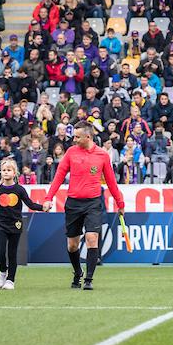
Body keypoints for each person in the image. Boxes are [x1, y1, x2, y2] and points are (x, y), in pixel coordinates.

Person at [43, 122, 125, 290]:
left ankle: (88, 279)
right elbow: (58, 176)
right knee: (72, 245)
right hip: (73, 203)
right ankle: (77, 272)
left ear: (88, 137)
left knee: (91, 238)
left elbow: (111, 182)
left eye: (77, 137)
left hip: (93, 203)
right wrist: (48, 197)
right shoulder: (71, 153)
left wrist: (120, 202)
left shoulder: (102, 155)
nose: (74, 140)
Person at [0, 157, 44, 290]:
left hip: (16, 225)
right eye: (3, 170)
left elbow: (30, 204)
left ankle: (10, 280)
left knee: (12, 253)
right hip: (1, 225)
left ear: (14, 173)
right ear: (1, 173)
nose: (6, 172)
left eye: (9, 170)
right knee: (0, 252)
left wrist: (43, 207)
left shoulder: (20, 190)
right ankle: (3, 272)